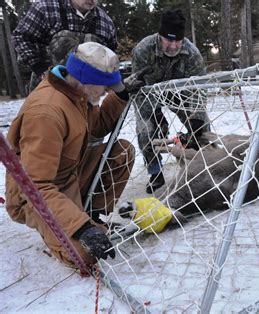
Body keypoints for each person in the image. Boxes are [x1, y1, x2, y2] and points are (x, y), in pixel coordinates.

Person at [5, 42, 135, 266]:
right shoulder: (46, 113)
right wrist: (81, 228)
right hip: (37, 196)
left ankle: (92, 217)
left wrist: (121, 94)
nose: (107, 91)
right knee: (85, 255)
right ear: (87, 79)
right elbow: (36, 187)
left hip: (69, 176)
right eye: (105, 86)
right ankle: (73, 227)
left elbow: (97, 126)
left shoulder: (77, 92)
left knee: (122, 151)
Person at [131, 9, 210, 194]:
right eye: (169, 39)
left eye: (178, 40)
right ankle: (155, 173)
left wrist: (196, 119)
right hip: (149, 95)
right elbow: (138, 88)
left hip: (180, 94)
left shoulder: (191, 53)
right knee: (146, 130)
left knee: (203, 127)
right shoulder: (143, 49)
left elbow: (199, 88)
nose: (173, 45)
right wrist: (155, 114)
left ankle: (202, 165)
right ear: (160, 35)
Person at [13, 0, 117, 93]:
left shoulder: (105, 22)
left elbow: (110, 53)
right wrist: (39, 67)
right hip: (46, 88)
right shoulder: (46, 8)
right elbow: (21, 37)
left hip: (85, 94)